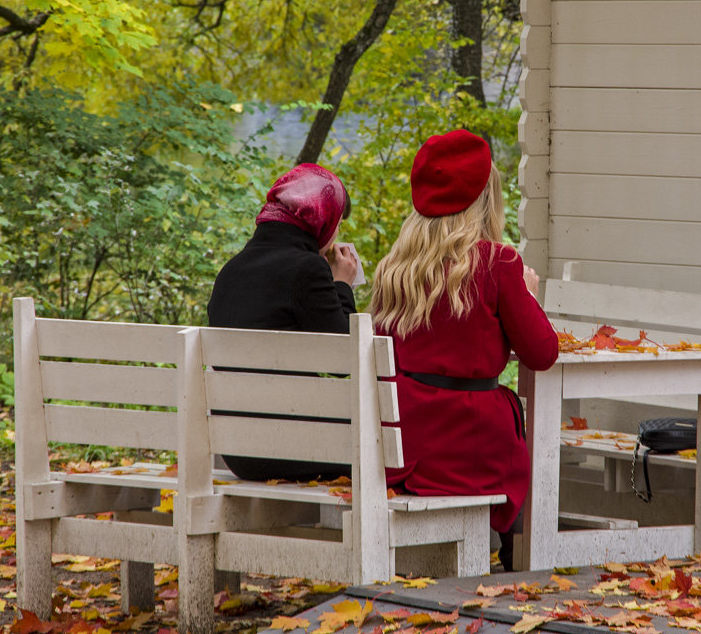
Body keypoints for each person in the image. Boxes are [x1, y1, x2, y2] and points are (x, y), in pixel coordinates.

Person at [368, 129, 559, 568]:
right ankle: (520, 563)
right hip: (468, 448)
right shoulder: (498, 263)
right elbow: (542, 353)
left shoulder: (394, 271)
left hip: (405, 448)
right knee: (514, 428)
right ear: (484, 200)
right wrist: (528, 296)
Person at [207, 162, 359, 481]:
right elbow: (343, 360)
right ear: (322, 219)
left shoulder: (231, 271)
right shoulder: (306, 271)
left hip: (238, 453)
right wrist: (342, 283)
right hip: (290, 448)